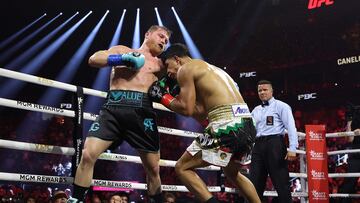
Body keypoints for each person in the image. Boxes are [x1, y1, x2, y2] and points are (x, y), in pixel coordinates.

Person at [68, 25, 171, 203]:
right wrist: (123, 58)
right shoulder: (123, 50)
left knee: (153, 169)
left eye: (166, 41)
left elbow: (180, 76)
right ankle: (76, 199)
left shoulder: (161, 65)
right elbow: (94, 59)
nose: (164, 41)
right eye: (161, 36)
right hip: (113, 108)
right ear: (147, 34)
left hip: (142, 112)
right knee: (87, 154)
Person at [148, 43, 260, 203]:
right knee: (232, 173)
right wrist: (174, 97)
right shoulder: (214, 70)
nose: (169, 72)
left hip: (227, 124)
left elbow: (186, 110)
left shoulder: (186, 69)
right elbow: (199, 112)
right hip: (247, 124)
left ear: (176, 59)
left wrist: (163, 97)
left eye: (168, 66)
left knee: (182, 168)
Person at [249, 80, 298, 203]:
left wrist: (293, 148)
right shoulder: (255, 110)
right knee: (254, 184)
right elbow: (249, 130)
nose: (262, 92)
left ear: (271, 91)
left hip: (274, 144)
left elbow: (291, 127)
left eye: (265, 90)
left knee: (281, 183)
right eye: (260, 90)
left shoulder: (282, 106)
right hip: (258, 146)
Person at [339, 104, 360, 203]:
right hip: (355, 154)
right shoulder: (354, 119)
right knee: (350, 182)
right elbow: (349, 139)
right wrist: (349, 121)